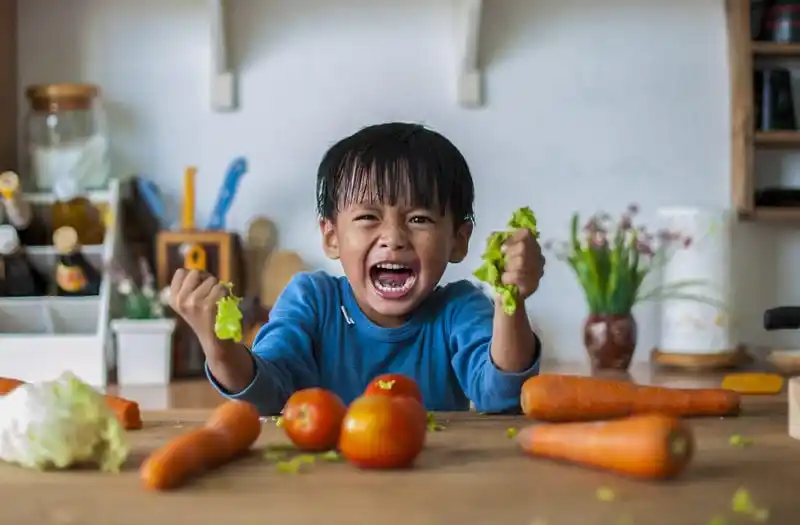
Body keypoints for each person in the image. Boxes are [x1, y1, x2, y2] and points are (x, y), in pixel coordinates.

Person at [168, 122, 545, 416]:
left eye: (419, 219)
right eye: (368, 217)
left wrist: (510, 299)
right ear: (331, 237)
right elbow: (265, 396)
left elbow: (504, 398)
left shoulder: (460, 309)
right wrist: (217, 346)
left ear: (458, 240)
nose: (393, 238)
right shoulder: (311, 301)